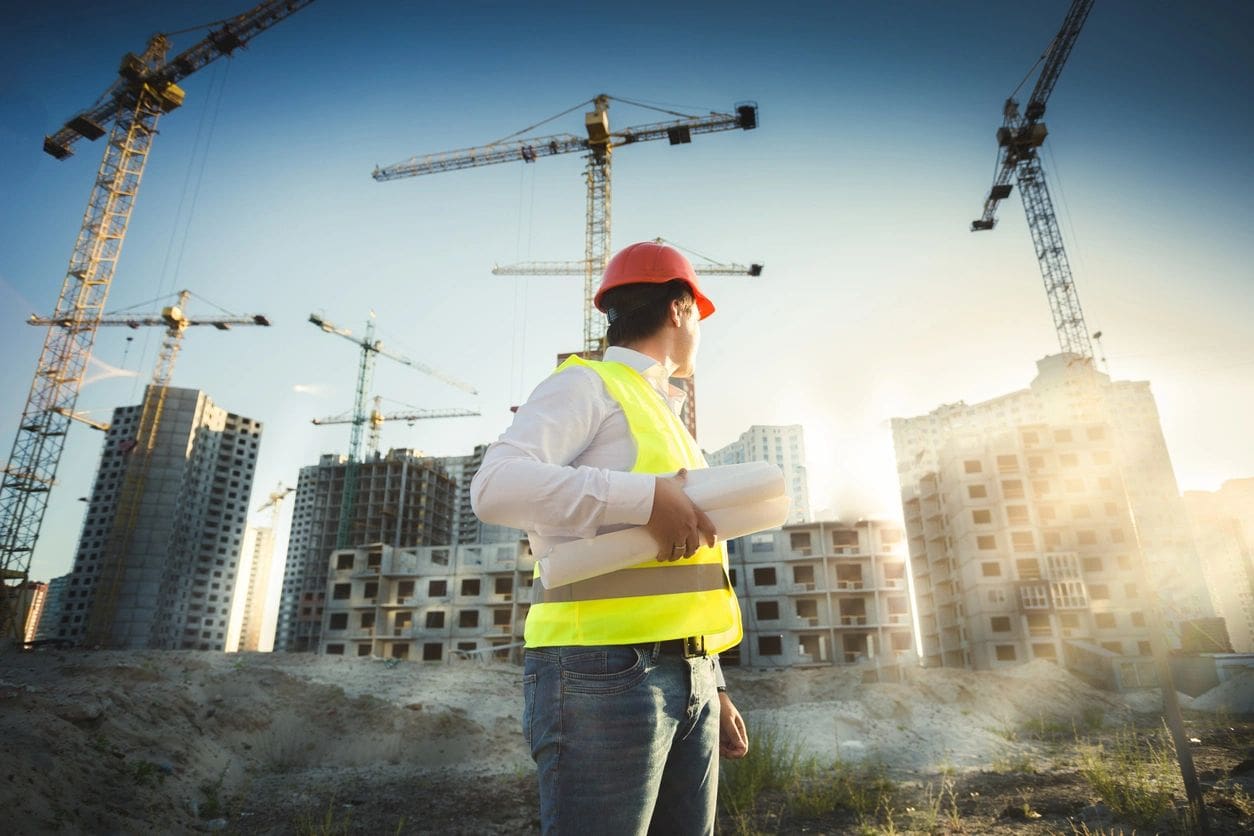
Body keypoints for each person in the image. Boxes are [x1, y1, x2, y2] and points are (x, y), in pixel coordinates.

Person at [471, 240, 749, 835]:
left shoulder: (668, 419)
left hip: (689, 673)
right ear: (679, 309)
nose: (700, 329)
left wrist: (712, 682)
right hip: (603, 674)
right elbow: (494, 486)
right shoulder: (587, 385)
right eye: (698, 314)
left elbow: (684, 568)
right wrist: (645, 497)